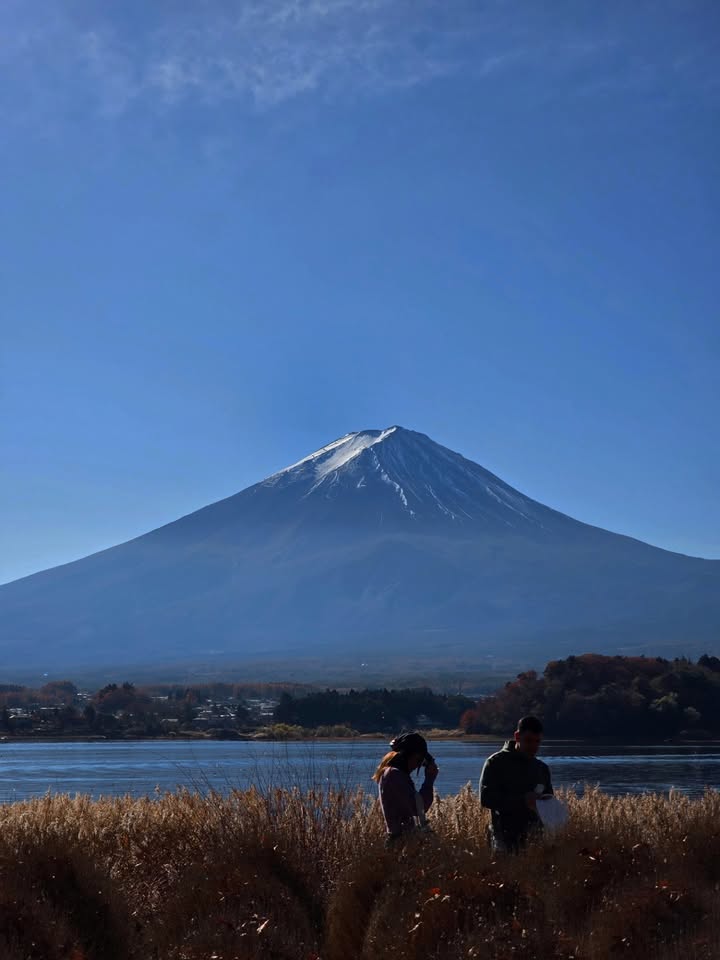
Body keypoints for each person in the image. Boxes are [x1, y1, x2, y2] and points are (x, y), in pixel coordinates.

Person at [479, 715, 553, 852]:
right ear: (517, 736)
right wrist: (523, 800)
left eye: (537, 742)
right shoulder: (495, 762)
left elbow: (549, 803)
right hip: (503, 840)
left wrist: (548, 805)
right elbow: (486, 799)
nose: (534, 746)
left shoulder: (542, 768)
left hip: (535, 841)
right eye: (529, 741)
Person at [372, 731, 439, 842]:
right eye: (419, 760)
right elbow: (418, 808)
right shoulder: (394, 775)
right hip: (400, 841)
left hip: (401, 840)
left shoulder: (394, 773)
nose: (418, 765)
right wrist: (429, 780)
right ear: (409, 756)